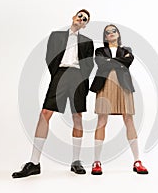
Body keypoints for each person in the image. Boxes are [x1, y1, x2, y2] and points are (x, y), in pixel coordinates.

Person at [12, 9, 94, 178]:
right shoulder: (56, 36)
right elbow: (50, 57)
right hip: (60, 74)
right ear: (74, 17)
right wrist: (57, 75)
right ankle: (34, 163)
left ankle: (76, 161)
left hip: (78, 77)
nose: (81, 19)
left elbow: (89, 64)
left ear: (85, 25)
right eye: (80, 15)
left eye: (85, 19)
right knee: (45, 113)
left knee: (77, 116)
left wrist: (82, 79)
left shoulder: (88, 42)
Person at [89, 24, 148, 175]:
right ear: (105, 37)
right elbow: (101, 63)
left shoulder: (127, 50)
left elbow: (127, 62)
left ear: (118, 34)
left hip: (124, 86)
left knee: (129, 120)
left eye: (113, 31)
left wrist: (110, 62)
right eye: (107, 32)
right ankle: (96, 161)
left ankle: (137, 160)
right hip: (105, 84)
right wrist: (119, 62)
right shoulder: (99, 51)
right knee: (102, 121)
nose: (111, 33)